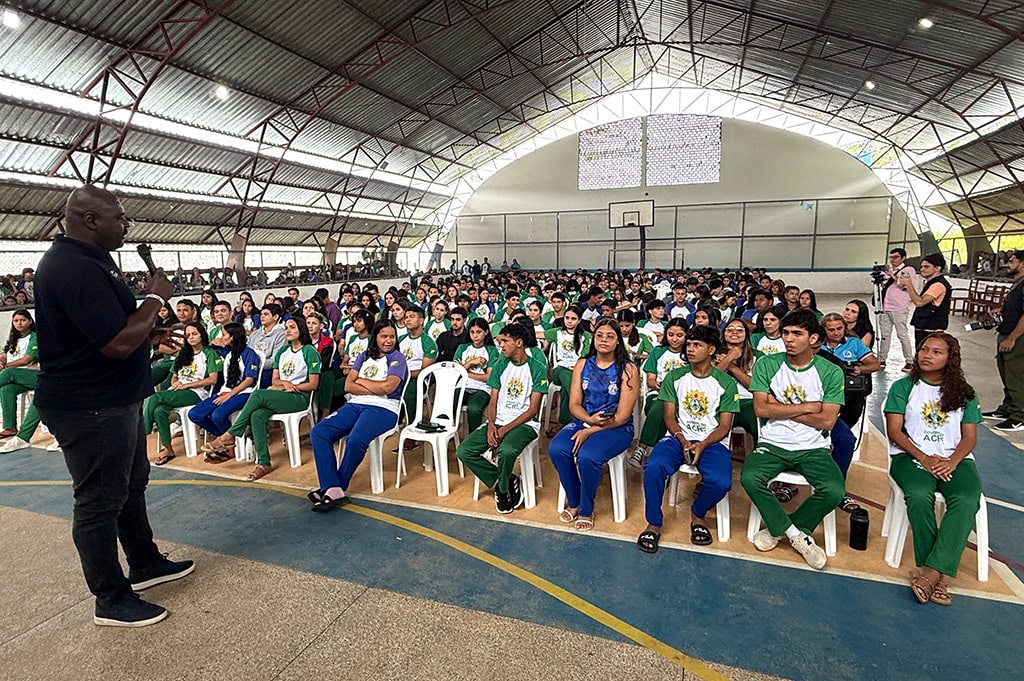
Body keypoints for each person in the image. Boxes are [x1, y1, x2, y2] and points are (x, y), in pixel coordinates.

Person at [34, 185, 192, 627]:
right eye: (120, 218)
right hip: (89, 405)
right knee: (99, 502)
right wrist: (156, 299)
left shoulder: (91, 261)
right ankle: (110, 597)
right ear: (89, 220)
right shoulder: (71, 267)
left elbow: (113, 330)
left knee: (129, 485)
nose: (125, 225)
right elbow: (117, 342)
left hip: (113, 399)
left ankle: (144, 563)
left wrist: (149, 333)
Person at [740, 309, 845, 570]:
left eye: (797, 333)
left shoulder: (831, 372)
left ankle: (781, 530)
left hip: (813, 447)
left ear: (813, 339)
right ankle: (797, 536)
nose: (788, 338)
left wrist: (781, 406)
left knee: (834, 490)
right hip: (773, 443)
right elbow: (761, 410)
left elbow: (827, 421)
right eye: (786, 333)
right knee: (749, 477)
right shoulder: (767, 364)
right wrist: (809, 406)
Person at [884, 333, 982, 606]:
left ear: (950, 358)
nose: (926, 355)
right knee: (918, 493)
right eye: (924, 349)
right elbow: (894, 431)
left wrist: (951, 461)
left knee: (965, 499)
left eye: (937, 352)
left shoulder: (965, 393)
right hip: (910, 456)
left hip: (955, 458)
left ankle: (931, 571)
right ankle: (937, 575)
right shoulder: (904, 387)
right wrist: (925, 458)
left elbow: (969, 437)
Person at [637, 325, 739, 552]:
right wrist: (683, 440)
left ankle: (698, 513)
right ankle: (653, 522)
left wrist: (703, 444)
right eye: (689, 344)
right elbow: (669, 416)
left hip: (712, 442)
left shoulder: (725, 383)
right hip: (677, 438)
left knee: (721, 482)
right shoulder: (675, 376)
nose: (690, 349)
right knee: (654, 466)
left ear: (711, 350)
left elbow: (725, 426)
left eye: (697, 345)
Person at [548, 317, 640, 531]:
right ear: (593, 338)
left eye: (610, 336)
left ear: (618, 341)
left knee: (588, 456)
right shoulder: (582, 364)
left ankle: (586, 509)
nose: (604, 340)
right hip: (585, 421)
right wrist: (588, 423)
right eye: (599, 335)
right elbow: (574, 404)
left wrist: (592, 430)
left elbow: (623, 415)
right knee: (557, 448)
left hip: (616, 427)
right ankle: (575, 500)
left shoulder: (628, 369)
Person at [307, 320, 409, 511]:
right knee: (319, 433)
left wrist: (362, 381)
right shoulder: (363, 356)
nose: (388, 341)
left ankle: (335, 487)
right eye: (384, 336)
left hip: (385, 408)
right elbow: (347, 386)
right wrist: (374, 387)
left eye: (392, 336)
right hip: (355, 404)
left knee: (355, 439)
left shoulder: (397, 358)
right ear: (375, 338)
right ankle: (332, 486)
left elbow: (389, 387)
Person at [205, 317, 321, 480]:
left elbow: (313, 384)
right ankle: (264, 462)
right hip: (282, 393)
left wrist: (291, 386)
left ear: (301, 330)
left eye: (292, 327)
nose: (287, 330)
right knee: (256, 415)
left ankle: (231, 434)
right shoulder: (283, 351)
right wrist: (283, 384)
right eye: (286, 327)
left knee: (258, 393)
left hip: (299, 397)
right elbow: (275, 380)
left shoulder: (309, 351)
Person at [456, 322, 548, 513]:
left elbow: (532, 410)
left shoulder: (537, 368)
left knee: (506, 450)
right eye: (500, 342)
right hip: (498, 420)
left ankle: (503, 490)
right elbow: (493, 401)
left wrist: (505, 429)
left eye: (505, 341)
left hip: (525, 423)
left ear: (519, 343)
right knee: (464, 451)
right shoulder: (500, 365)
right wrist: (491, 425)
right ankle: (504, 479)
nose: (501, 346)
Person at [143, 322, 222, 466]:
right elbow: (174, 374)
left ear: (202, 335)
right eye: (188, 335)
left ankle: (143, 433)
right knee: (159, 410)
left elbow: (212, 379)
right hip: (179, 390)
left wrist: (187, 385)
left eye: (194, 334)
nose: (191, 337)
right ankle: (168, 449)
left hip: (196, 393)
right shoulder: (183, 354)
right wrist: (176, 383)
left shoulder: (209, 353)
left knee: (155, 397)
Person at [190, 323, 260, 462]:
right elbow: (209, 350)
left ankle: (227, 447)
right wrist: (213, 343)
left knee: (218, 415)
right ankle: (226, 439)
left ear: (233, 337)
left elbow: (250, 379)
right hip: (225, 390)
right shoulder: (227, 352)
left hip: (244, 392)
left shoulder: (249, 353)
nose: (221, 338)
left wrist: (230, 394)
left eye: (224, 335)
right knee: (195, 414)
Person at [628, 318, 687, 469]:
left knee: (667, 407)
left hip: (683, 398)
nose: (674, 339)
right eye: (671, 334)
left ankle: (643, 448)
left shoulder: (690, 354)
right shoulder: (658, 352)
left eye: (679, 335)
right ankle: (650, 451)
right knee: (662, 405)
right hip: (657, 393)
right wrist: (660, 386)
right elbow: (650, 381)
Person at [984, 250, 1024, 431]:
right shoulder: (1018, 284)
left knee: (1017, 377)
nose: (1008, 264)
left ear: (1022, 263)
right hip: (1006, 332)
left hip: (1017, 338)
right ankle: (1007, 408)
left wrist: (1013, 337)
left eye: (1012, 261)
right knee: (1007, 374)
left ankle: (1019, 415)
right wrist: (1001, 309)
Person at [819, 313, 880, 428]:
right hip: (824, 391)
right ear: (824, 330)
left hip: (850, 393)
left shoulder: (854, 343)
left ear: (845, 327)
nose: (836, 333)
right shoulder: (817, 346)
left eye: (839, 328)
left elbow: (875, 364)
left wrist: (860, 368)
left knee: (850, 416)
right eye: (831, 330)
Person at [543, 304, 592, 433]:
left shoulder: (585, 336)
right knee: (568, 377)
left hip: (578, 371)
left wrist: (577, 367)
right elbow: (539, 334)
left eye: (573, 318)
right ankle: (583, 412)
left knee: (567, 388)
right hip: (559, 370)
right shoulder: (557, 332)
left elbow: (585, 356)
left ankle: (564, 423)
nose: (569, 321)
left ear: (579, 320)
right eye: (567, 318)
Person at [453, 318, 500, 434]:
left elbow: (489, 377)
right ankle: (447, 433)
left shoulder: (491, 350)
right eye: (472, 332)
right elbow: (454, 373)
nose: (475, 335)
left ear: (486, 332)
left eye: (478, 332)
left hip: (482, 388)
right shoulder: (463, 348)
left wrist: (465, 372)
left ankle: (472, 437)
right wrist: (470, 363)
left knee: (474, 409)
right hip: (462, 385)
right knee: (448, 403)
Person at [0, 309, 38, 440]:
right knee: (6, 389)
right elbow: (5, 355)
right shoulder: (14, 339)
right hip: (19, 377)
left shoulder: (34, 337)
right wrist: (1, 360)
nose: (19, 323)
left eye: (22, 320)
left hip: (34, 375)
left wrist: (6, 366)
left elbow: (27, 359)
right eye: (16, 320)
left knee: (9, 372)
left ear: (30, 321)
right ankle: (10, 428)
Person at [902, 253, 951, 350]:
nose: (922, 269)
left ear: (937, 268)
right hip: (924, 326)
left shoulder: (938, 284)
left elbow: (920, 302)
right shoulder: (932, 282)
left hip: (931, 328)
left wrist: (909, 285)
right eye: (921, 266)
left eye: (926, 267)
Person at [878, 248, 916, 370]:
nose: (893, 260)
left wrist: (891, 274)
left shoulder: (908, 270)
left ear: (903, 258)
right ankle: (881, 359)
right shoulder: (888, 271)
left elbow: (904, 284)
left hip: (899, 308)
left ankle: (909, 361)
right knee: (885, 335)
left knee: (902, 335)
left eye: (896, 257)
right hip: (885, 306)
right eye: (891, 257)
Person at [248, 303, 286, 387]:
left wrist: (254, 364)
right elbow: (247, 354)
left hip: (268, 372)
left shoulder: (281, 335)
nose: (262, 316)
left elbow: (274, 361)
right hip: (251, 369)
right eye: (261, 314)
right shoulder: (254, 334)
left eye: (266, 314)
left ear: (275, 317)